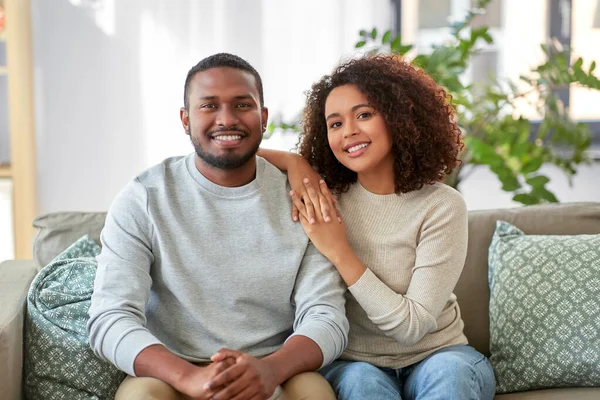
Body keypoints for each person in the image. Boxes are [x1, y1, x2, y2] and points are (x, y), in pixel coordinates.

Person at [87, 53, 348, 400]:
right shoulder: (144, 197)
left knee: (314, 391)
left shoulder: (303, 198)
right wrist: (190, 378)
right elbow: (109, 318)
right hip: (172, 375)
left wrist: (271, 369)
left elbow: (326, 316)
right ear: (185, 119)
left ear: (263, 117)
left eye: (242, 105)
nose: (226, 119)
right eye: (209, 106)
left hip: (274, 371)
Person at [259, 54, 496, 399]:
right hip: (354, 364)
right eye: (335, 124)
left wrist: (339, 251)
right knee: (361, 383)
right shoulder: (324, 196)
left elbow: (412, 327)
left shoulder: (442, 205)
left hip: (440, 356)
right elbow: (234, 154)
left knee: (451, 374)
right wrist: (294, 161)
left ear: (400, 118)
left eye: (364, 114)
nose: (349, 131)